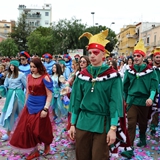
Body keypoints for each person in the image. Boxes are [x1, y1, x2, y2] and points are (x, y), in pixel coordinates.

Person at [69, 30, 123, 160]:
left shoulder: (113, 76)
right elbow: (76, 101)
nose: (92, 56)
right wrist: (72, 124)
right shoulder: (82, 76)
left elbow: (114, 103)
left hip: (102, 124)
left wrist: (113, 128)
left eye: (96, 52)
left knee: (99, 157)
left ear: (103, 54)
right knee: (81, 156)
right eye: (90, 53)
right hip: (82, 123)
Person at [9, 57, 53, 160]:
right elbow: (28, 92)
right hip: (29, 106)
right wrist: (25, 104)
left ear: (39, 67)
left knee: (40, 130)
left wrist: (45, 109)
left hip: (41, 106)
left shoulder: (45, 77)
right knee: (29, 130)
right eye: (31, 66)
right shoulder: (28, 76)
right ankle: (35, 151)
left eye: (34, 67)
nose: (32, 69)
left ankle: (47, 144)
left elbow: (49, 95)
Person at [123, 39, 159, 150]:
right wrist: (125, 99)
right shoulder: (129, 71)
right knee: (132, 123)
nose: (136, 58)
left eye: (138, 55)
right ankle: (129, 147)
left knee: (143, 123)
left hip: (144, 101)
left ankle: (142, 138)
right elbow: (124, 87)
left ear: (143, 57)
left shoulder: (150, 71)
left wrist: (151, 98)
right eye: (135, 55)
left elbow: (153, 87)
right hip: (132, 101)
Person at [0, 59, 26, 141]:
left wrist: (26, 96)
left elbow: (26, 86)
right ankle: (8, 133)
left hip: (18, 95)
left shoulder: (21, 75)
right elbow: (5, 85)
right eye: (10, 65)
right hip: (10, 95)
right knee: (10, 114)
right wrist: (2, 89)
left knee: (20, 114)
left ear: (16, 66)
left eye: (12, 65)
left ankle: (24, 132)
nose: (11, 67)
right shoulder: (8, 75)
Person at [149, 47, 160, 135]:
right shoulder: (149, 69)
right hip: (153, 93)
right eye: (157, 57)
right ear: (153, 58)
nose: (158, 59)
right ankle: (153, 127)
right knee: (154, 111)